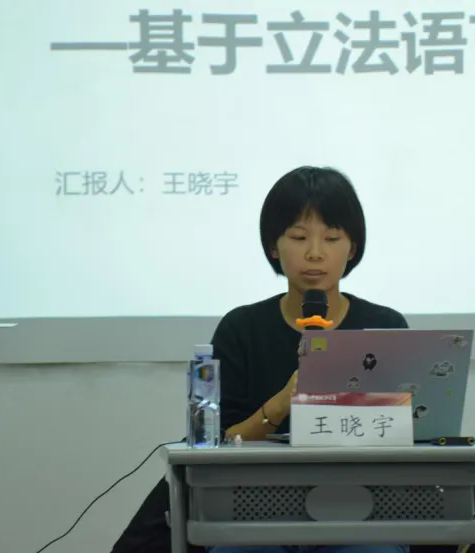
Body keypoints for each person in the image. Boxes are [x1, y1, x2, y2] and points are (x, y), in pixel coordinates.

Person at [112, 166, 449, 553]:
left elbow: (412, 436)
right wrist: (282, 403)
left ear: (352, 248)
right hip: (252, 509)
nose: (315, 252)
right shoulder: (242, 328)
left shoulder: (384, 326)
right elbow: (216, 446)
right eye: (299, 237)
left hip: (361, 509)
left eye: (332, 238)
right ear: (274, 246)